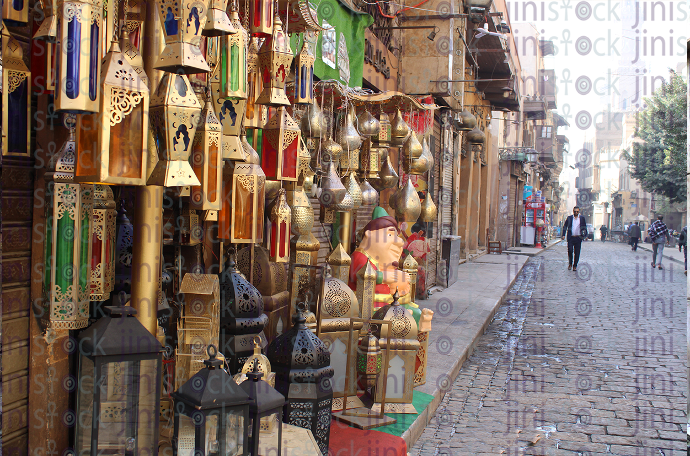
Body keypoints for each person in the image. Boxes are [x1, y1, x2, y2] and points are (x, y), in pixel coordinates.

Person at [561, 206, 587, 272]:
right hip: (571, 238)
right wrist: (563, 234)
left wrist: (585, 235)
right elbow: (565, 226)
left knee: (577, 252)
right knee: (570, 251)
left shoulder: (582, 218)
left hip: (578, 238)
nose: (576, 213)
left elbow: (584, 227)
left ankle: (575, 265)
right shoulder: (569, 218)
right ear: (573, 211)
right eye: (575, 211)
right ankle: (570, 263)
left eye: (577, 211)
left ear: (579, 212)